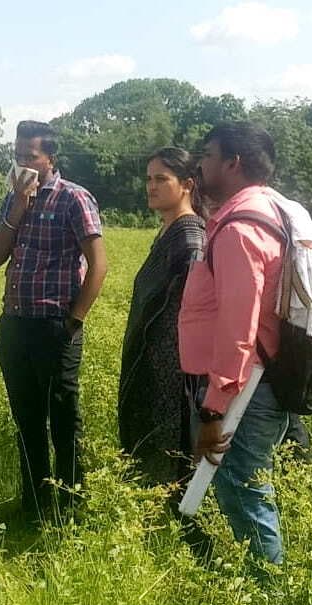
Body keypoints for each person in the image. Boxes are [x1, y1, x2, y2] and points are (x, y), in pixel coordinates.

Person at [0, 120, 107, 524]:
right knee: (27, 419)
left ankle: (72, 505)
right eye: (18, 156)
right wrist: (18, 207)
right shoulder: (14, 198)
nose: (23, 164)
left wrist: (74, 322)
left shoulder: (74, 198)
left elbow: (98, 265)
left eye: (31, 157)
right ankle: (34, 506)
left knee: (63, 417)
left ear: (50, 158)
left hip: (56, 325)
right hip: (16, 324)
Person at [179, 121, 289, 565]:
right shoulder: (266, 210)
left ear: (232, 163)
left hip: (246, 388)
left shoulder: (241, 230)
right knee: (242, 484)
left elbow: (237, 329)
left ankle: (269, 601)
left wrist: (213, 408)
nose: (200, 165)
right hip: (257, 381)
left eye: (207, 155)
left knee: (242, 486)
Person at [119, 146, 205, 485]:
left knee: (174, 467)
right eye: (148, 179)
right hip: (154, 366)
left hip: (174, 374)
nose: (151, 186)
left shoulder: (189, 236)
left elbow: (193, 312)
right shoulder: (169, 233)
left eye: (161, 179)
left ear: (186, 184)